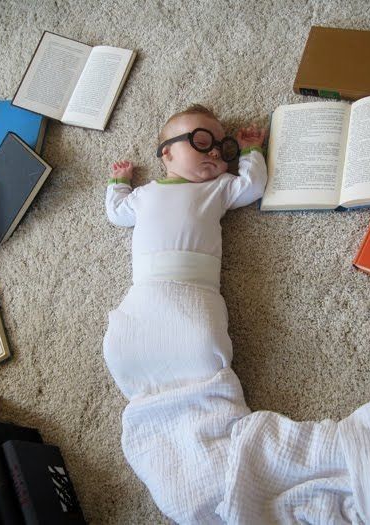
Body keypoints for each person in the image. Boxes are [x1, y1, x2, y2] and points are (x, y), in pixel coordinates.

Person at [103, 103, 267, 399]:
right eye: (202, 142)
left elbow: (252, 185)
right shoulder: (143, 195)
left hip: (196, 289)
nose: (215, 152)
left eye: (222, 150)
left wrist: (250, 151)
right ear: (167, 153)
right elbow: (116, 212)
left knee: (203, 342)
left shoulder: (217, 187)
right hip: (146, 290)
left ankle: (207, 393)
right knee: (121, 346)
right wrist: (120, 183)